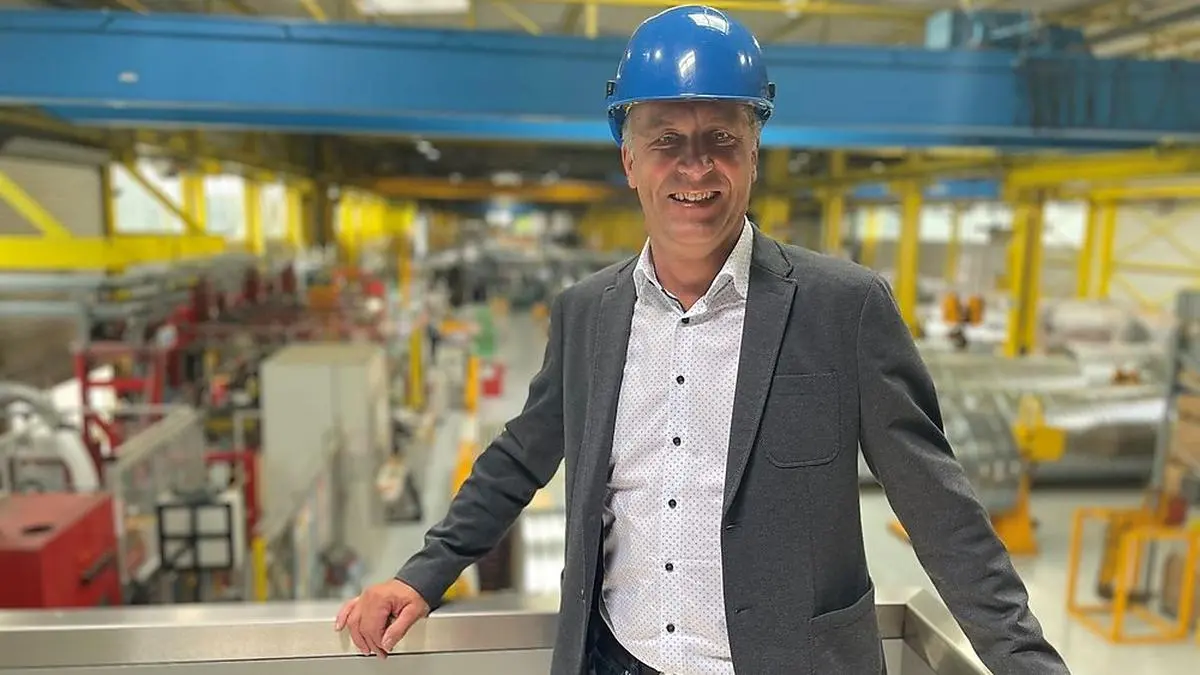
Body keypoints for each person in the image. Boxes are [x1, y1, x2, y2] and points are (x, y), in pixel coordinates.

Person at [335, 5, 1071, 674]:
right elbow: (517, 459)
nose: (695, 166)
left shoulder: (842, 309)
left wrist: (1026, 663)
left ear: (754, 153)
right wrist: (422, 574)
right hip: (618, 659)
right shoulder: (588, 314)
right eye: (666, 140)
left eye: (722, 138)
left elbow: (941, 512)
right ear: (629, 160)